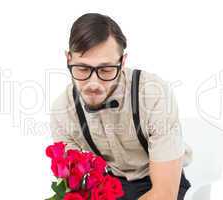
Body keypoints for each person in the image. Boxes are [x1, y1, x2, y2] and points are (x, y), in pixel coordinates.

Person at [49, 13, 192, 200]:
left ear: (122, 62)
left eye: (106, 70)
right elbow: (74, 186)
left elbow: (164, 194)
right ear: (68, 59)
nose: (94, 83)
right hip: (111, 183)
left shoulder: (152, 94)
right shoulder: (63, 110)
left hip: (160, 179)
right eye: (83, 69)